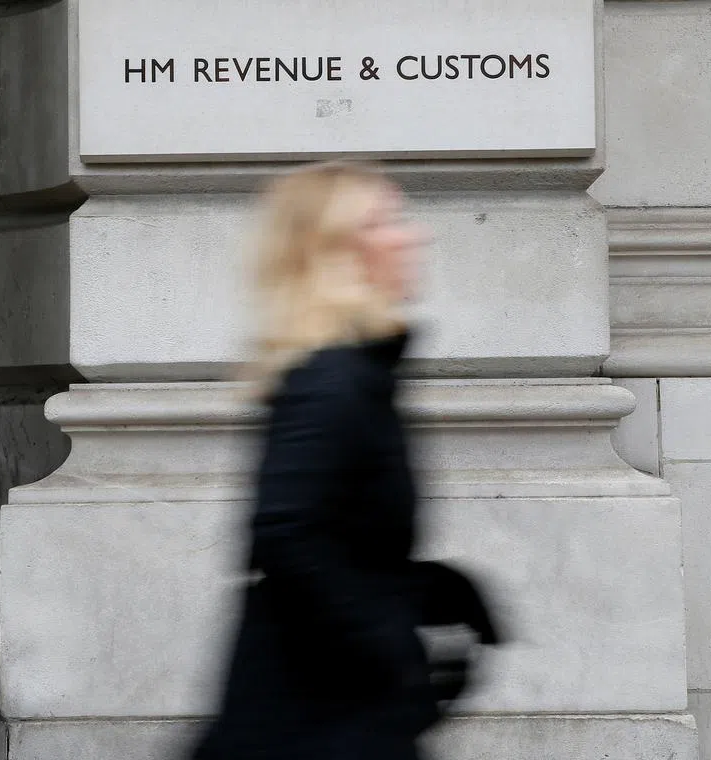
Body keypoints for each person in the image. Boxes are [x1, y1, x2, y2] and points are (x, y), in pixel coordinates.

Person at [192, 160, 501, 760]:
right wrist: (390, 646)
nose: (414, 236)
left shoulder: (356, 374)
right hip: (313, 713)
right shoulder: (332, 381)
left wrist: (436, 593)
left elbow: (343, 539)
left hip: (335, 702)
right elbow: (285, 534)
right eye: (385, 222)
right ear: (335, 253)